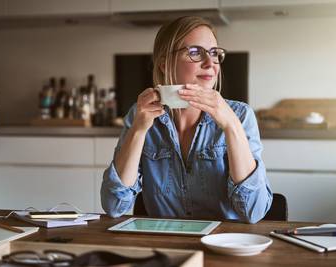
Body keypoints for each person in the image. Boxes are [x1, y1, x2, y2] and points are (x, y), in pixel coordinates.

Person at [101, 16, 272, 223]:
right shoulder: (139, 116)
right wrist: (138, 131)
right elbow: (114, 206)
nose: (211, 64)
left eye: (214, 53)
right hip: (165, 246)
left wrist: (231, 125)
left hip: (225, 245)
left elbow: (254, 211)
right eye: (195, 53)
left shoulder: (240, 115)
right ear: (164, 64)